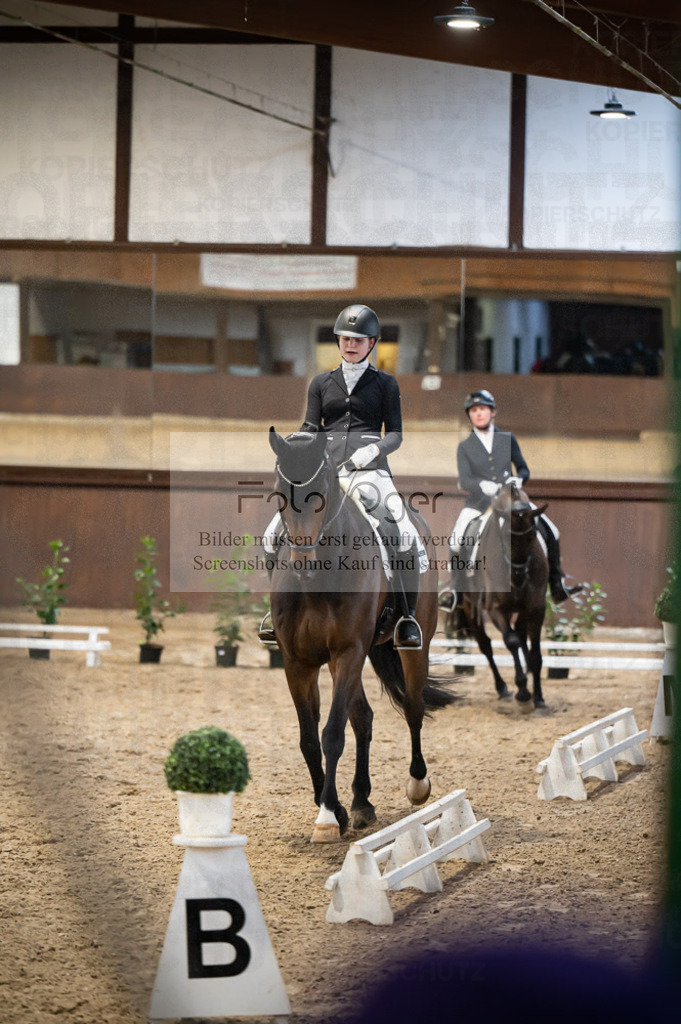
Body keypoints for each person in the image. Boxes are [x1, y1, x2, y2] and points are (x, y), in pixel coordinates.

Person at [259, 303, 425, 649]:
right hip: (328, 472)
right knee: (272, 534)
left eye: (359, 339)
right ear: (338, 341)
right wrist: (296, 445)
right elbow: (310, 426)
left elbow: (395, 433)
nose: (351, 344)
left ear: (372, 343)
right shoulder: (321, 383)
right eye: (346, 338)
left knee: (403, 533)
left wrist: (373, 450)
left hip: (370, 472)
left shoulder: (385, 384)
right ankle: (276, 612)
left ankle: (407, 618)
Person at [439, 388, 581, 610]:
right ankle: (456, 592)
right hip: (480, 504)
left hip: (511, 501)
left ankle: (557, 582)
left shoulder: (507, 439)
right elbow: (465, 480)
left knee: (552, 530)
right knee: (456, 539)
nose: (478, 414)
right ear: (469, 415)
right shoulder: (465, 446)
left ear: (492, 412)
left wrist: (518, 479)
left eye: (483, 409)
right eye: (474, 410)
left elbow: (524, 468)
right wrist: (481, 485)